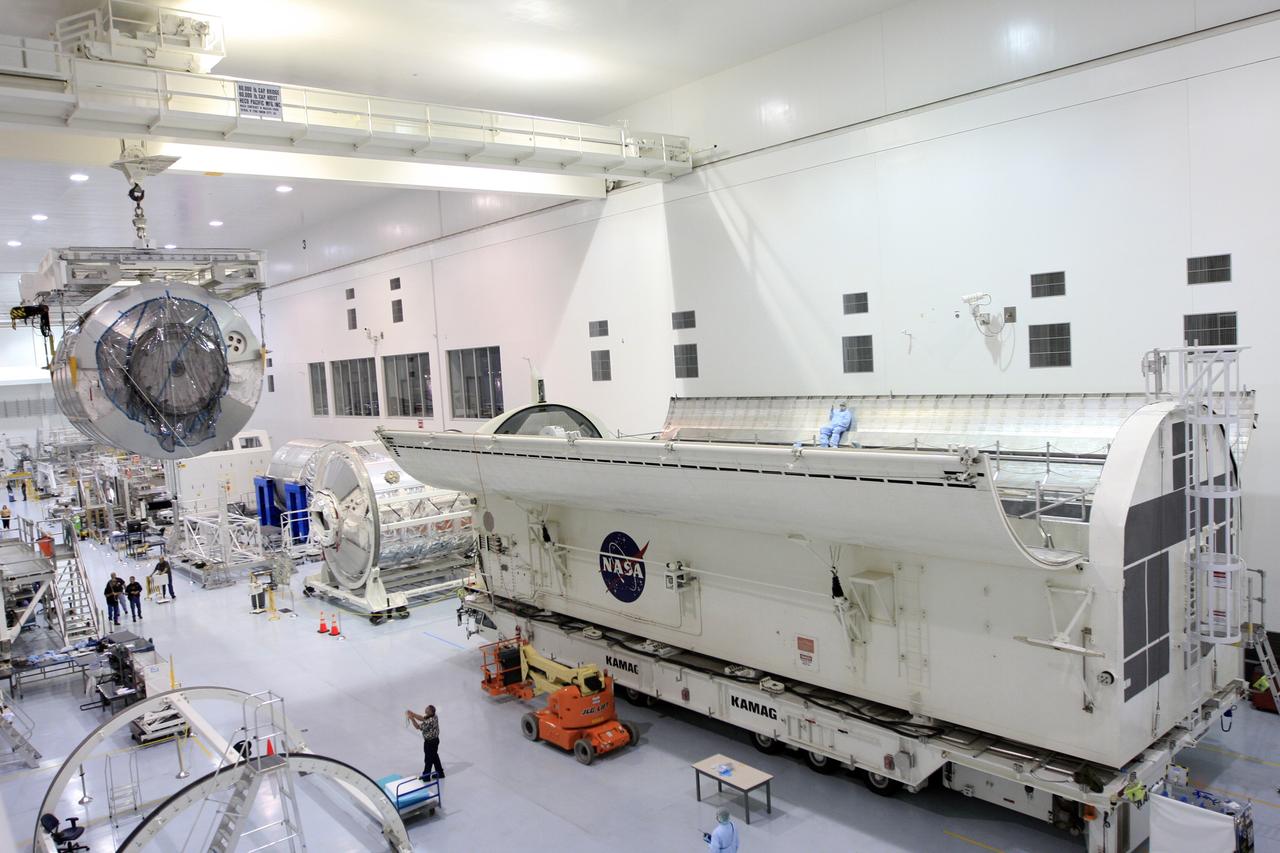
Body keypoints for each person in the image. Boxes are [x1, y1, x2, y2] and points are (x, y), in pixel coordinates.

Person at [406, 705, 444, 779]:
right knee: (434, 757)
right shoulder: (434, 715)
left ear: (430, 712)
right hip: (435, 740)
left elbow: (417, 727)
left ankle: (426, 776)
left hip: (430, 742)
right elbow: (422, 718)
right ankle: (440, 773)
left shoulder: (429, 722)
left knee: (428, 759)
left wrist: (412, 718)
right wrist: (413, 714)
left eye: (427, 709)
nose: (426, 709)